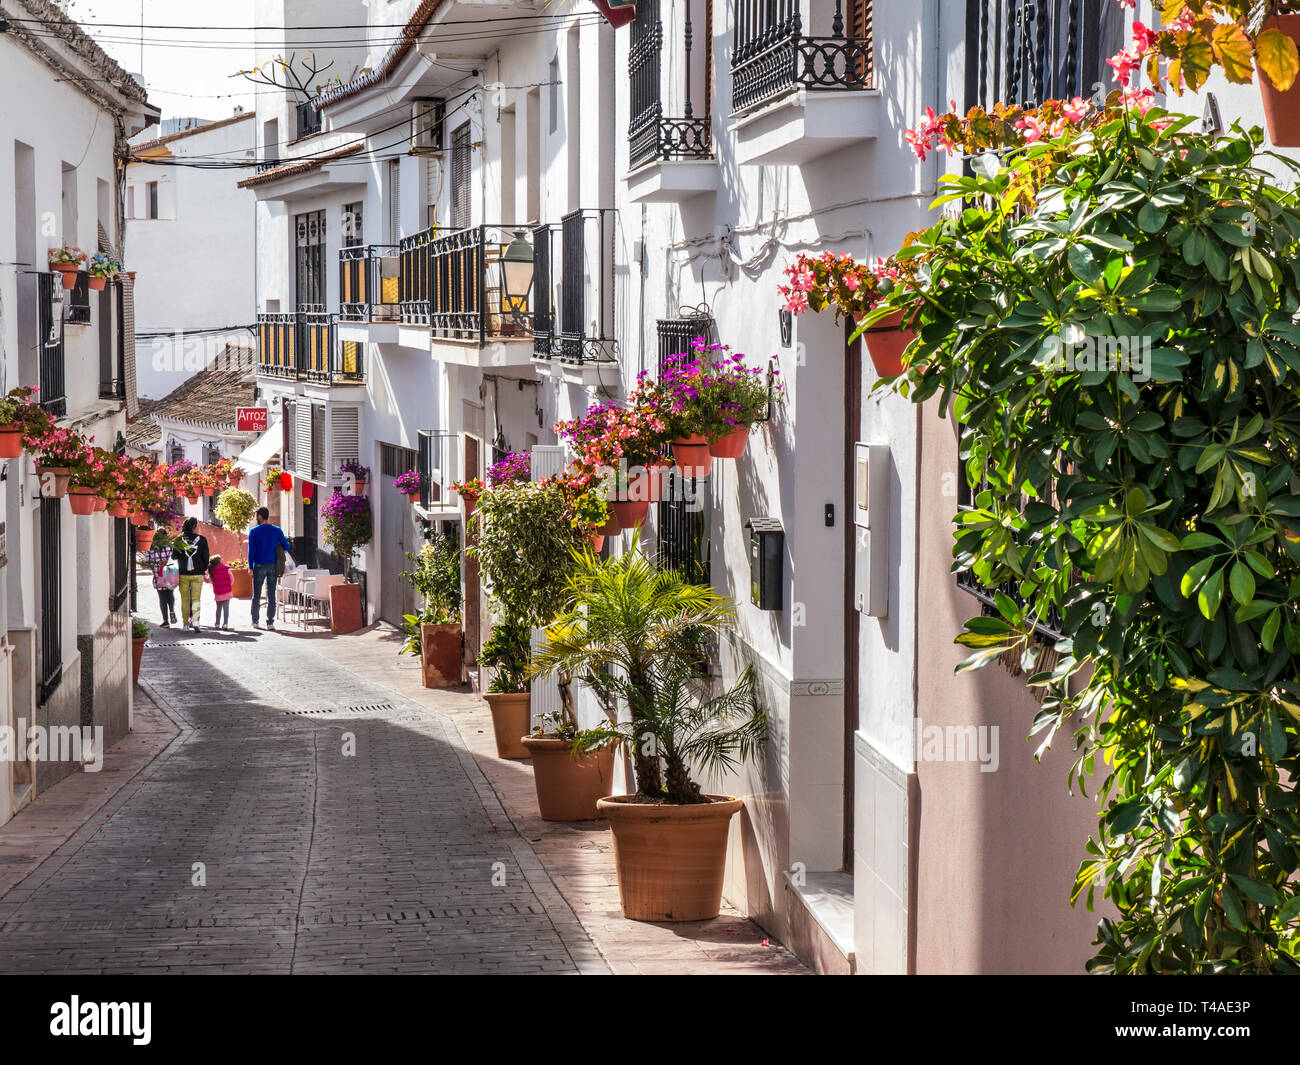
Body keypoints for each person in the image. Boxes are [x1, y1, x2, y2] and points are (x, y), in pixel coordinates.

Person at [248, 506, 293, 630]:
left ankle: (255, 621)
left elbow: (251, 551)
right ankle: (270, 623)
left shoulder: (254, 531)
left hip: (258, 566)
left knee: (256, 594)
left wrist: (250, 567)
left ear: (260, 516)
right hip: (273, 566)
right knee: (271, 594)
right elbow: (287, 547)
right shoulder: (277, 530)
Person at [173, 517, 210, 632]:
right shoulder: (202, 540)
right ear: (194, 527)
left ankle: (185, 624)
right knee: (196, 599)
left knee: (185, 600)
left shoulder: (179, 539)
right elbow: (206, 557)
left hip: (183, 573)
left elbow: (174, 556)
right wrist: (203, 569)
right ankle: (196, 621)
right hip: (198, 574)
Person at [149, 547, 178, 627]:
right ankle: (172, 610)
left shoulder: (152, 549)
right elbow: (175, 557)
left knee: (162, 598)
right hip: (169, 573)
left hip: (159, 575)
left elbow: (147, 560)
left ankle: (165, 621)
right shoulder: (170, 547)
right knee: (170, 593)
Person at [207, 554, 233, 630]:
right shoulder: (226, 569)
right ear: (219, 561)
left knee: (218, 609)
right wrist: (227, 585)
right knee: (226, 609)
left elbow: (209, 580)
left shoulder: (212, 571)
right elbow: (232, 579)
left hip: (218, 593)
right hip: (227, 592)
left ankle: (217, 623)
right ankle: (225, 624)